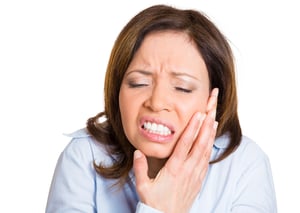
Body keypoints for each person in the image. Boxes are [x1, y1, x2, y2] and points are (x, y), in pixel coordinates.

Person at [46, 4, 277, 213]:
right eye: (139, 83)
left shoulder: (245, 164)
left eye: (182, 87)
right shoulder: (83, 156)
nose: (156, 103)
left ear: (214, 100)